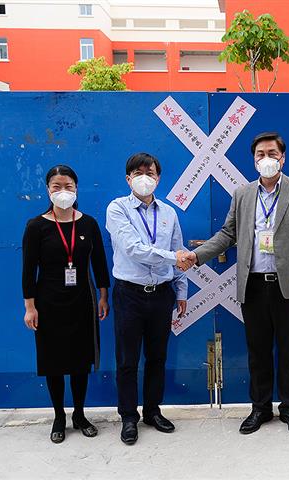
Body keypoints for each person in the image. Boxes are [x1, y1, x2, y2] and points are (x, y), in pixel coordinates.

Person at [179, 132, 289, 436]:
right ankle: (260, 408)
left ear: (283, 157)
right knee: (258, 351)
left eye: (272, 153)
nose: (266, 159)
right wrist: (196, 255)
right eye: (260, 154)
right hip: (253, 286)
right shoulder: (242, 194)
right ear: (253, 160)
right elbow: (227, 235)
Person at [22, 164, 110, 444]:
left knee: (80, 361)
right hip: (48, 303)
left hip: (82, 301)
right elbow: (28, 270)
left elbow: (99, 264)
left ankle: (80, 414)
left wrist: (103, 295)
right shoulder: (36, 226)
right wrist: (30, 306)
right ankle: (59, 416)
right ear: (48, 190)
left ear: (76, 188)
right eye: (56, 187)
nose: (63, 192)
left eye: (68, 186)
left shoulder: (88, 223)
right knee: (54, 362)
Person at [105, 152, 189, 445]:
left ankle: (153, 411)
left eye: (150, 173)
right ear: (128, 179)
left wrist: (181, 291)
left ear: (158, 178)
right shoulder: (117, 209)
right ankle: (129, 417)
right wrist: (173, 258)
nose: (145, 178)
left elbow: (178, 251)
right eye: (138, 173)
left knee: (157, 357)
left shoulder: (168, 213)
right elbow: (133, 248)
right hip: (130, 294)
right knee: (127, 360)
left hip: (161, 295)